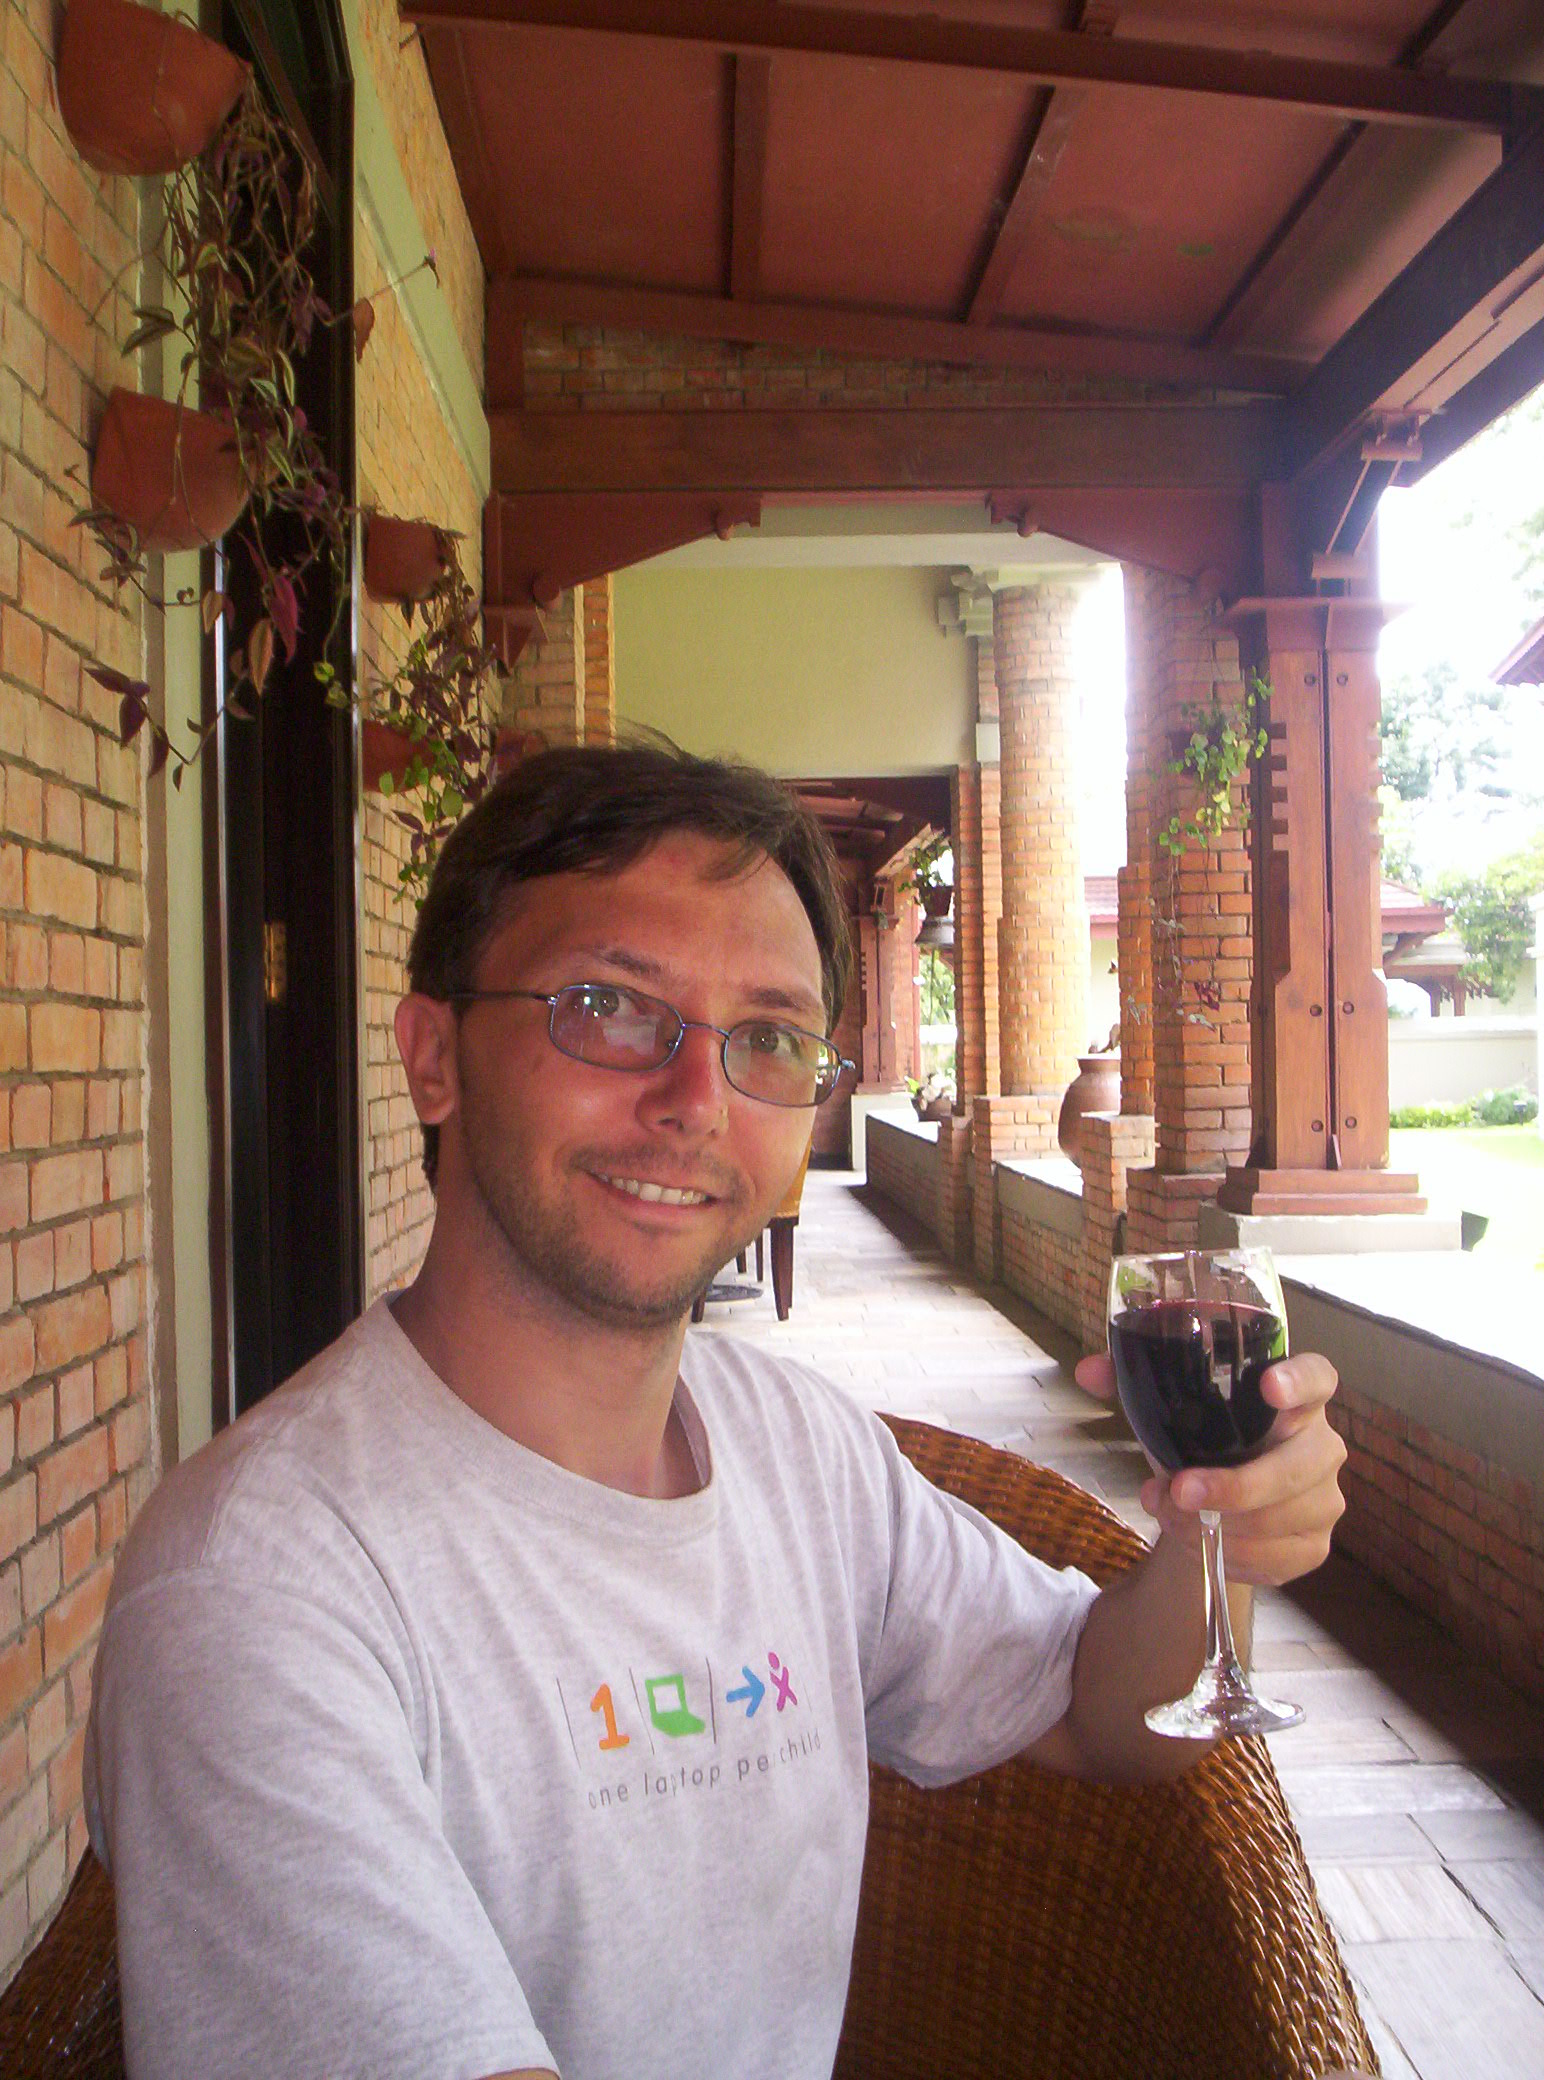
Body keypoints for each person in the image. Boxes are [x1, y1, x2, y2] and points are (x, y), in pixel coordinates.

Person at [84, 742, 1347, 2079]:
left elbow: (1099, 1711)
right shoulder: (256, 1592)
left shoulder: (799, 1449)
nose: (695, 1103)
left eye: (770, 1039)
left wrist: (1218, 1542)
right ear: (435, 1057)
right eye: (609, 1008)